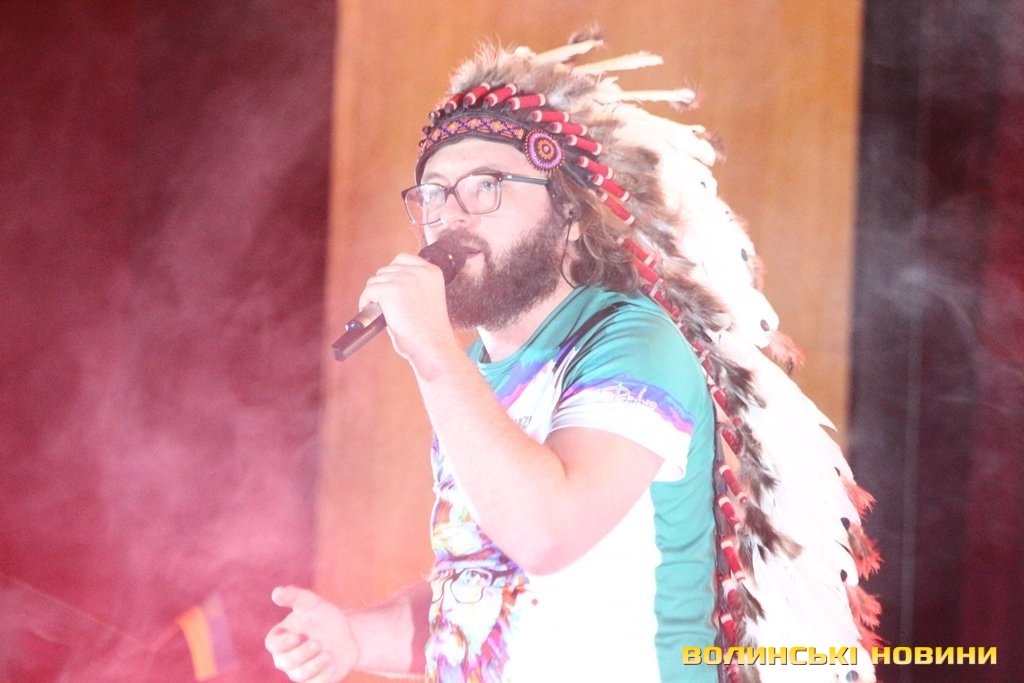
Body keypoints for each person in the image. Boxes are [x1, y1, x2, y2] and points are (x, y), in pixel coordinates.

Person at [266, 32, 881, 683]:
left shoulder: (632, 342)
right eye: (434, 194)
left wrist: (431, 355)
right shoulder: (472, 374)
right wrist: (354, 637)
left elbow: (546, 533)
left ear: (570, 216)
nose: (449, 216)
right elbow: (483, 589)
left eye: (485, 187)